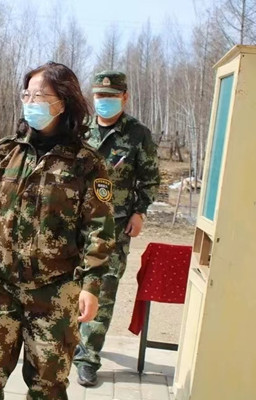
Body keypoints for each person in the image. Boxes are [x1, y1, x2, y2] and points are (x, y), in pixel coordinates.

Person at [0, 62, 115, 400]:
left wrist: (91, 286)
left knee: (48, 388)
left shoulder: (86, 162)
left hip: (55, 291)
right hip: (2, 286)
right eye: (27, 95)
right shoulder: (3, 153)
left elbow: (99, 229)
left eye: (40, 96)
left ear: (63, 101)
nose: (31, 102)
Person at [74, 70, 160, 386]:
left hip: (114, 226)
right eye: (100, 95)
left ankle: (88, 359)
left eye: (111, 96)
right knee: (69, 286)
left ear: (124, 97)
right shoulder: (80, 129)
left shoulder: (138, 134)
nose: (105, 101)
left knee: (103, 291)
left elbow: (150, 179)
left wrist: (140, 212)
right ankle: (67, 344)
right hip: (74, 224)